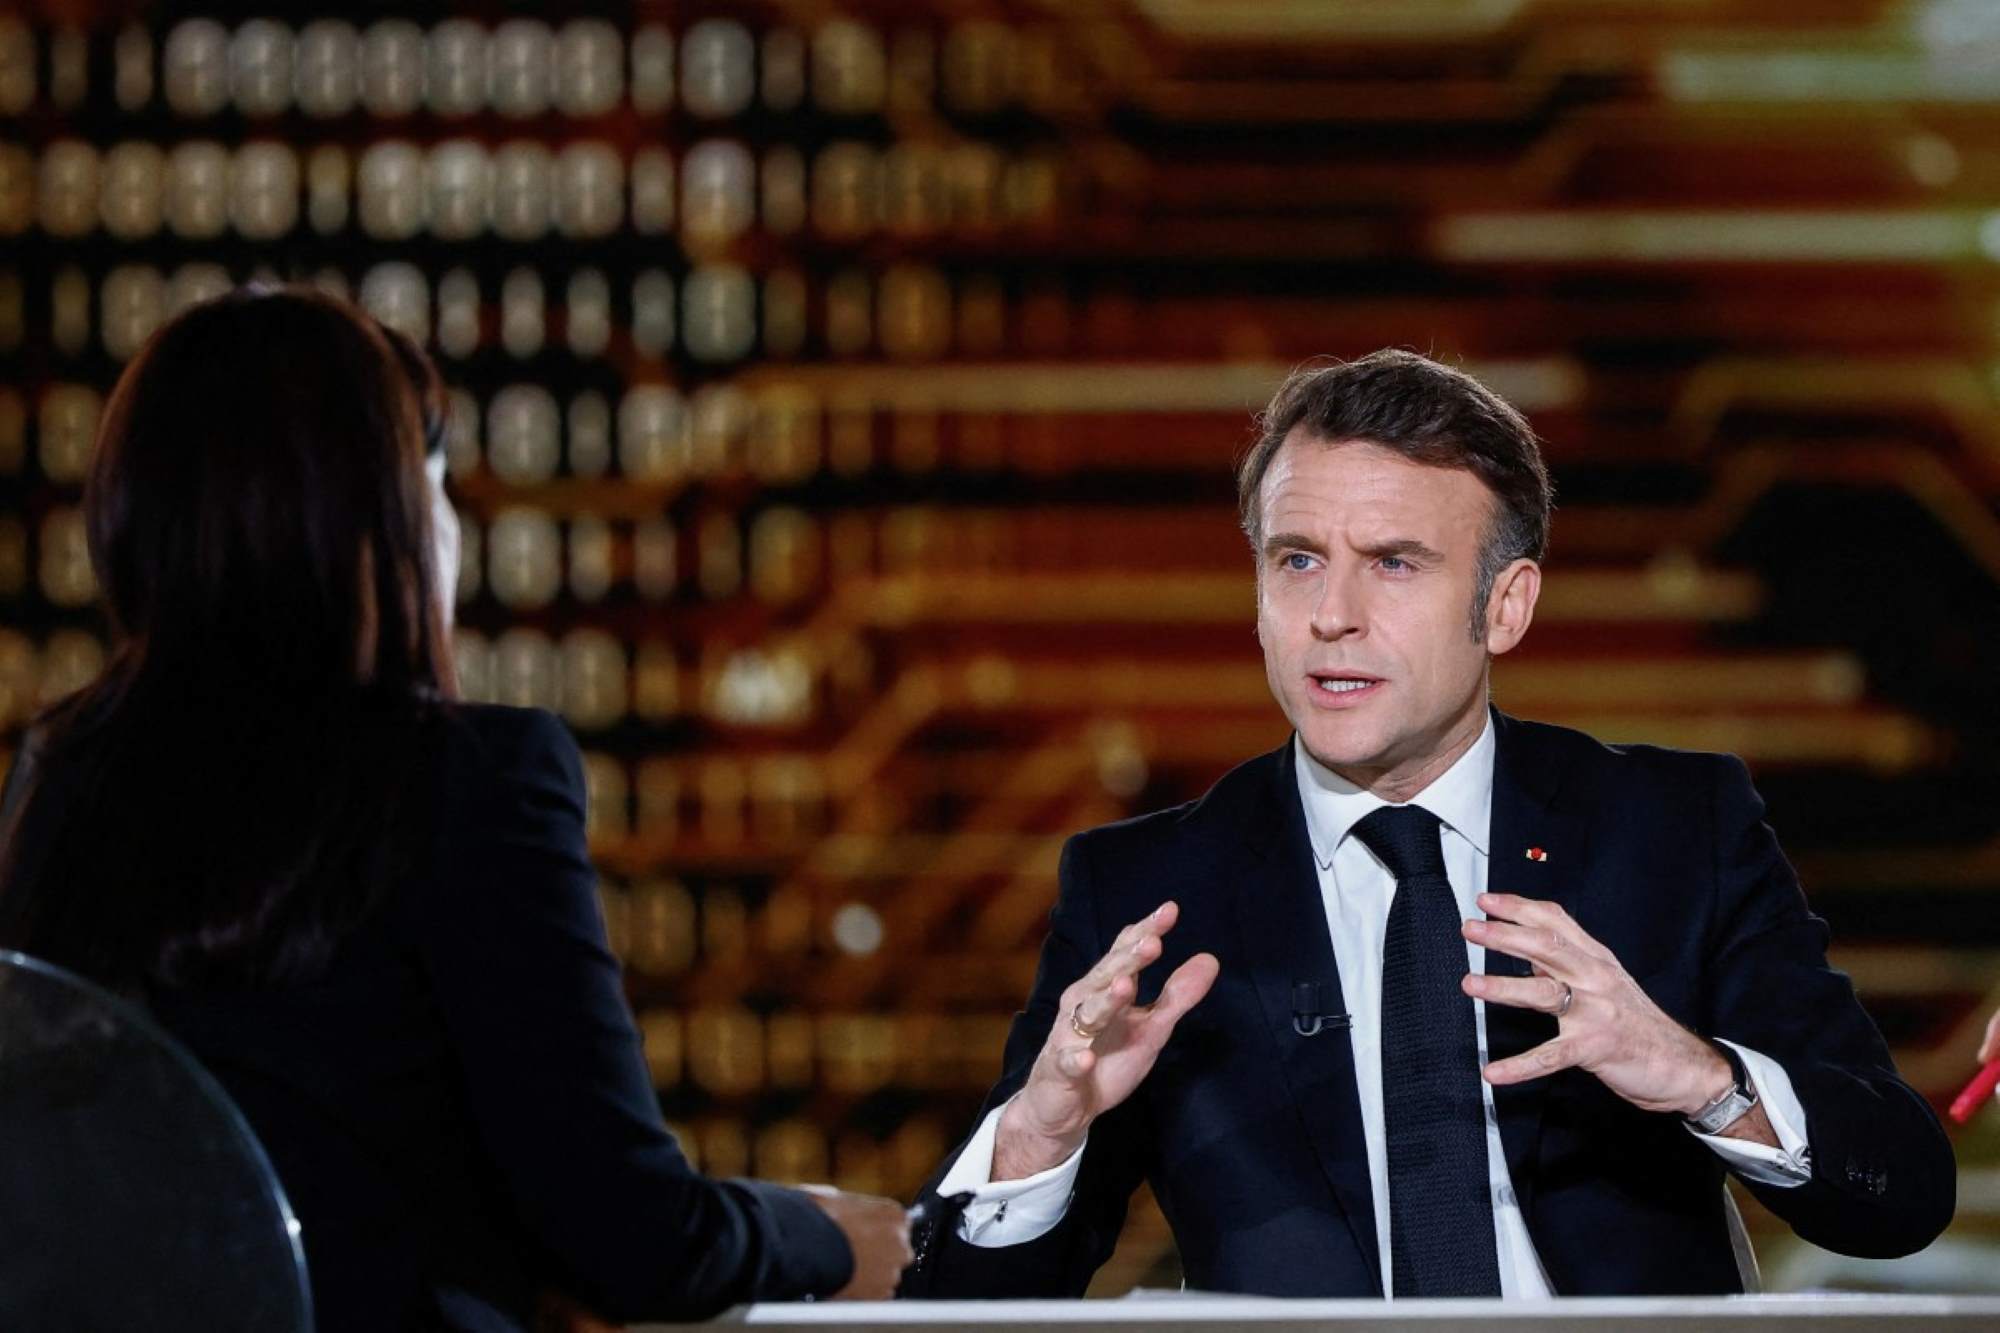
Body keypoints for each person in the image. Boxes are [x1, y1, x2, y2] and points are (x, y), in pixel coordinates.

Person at [901, 349, 1955, 1299]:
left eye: (1394, 562)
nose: (1330, 616)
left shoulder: (1671, 829)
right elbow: (954, 1312)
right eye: (1297, 559)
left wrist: (1701, 1081)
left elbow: (1898, 1194)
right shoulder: (1151, 887)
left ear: (1505, 605)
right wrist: (1041, 1134)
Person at [0, 287, 911, 1331]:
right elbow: (627, 1236)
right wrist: (824, 1233)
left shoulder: (62, 775)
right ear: (378, 522)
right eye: (435, 486)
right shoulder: (474, 777)